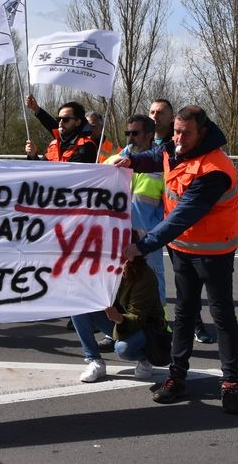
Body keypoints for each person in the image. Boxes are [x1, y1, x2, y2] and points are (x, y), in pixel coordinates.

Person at [116, 105, 238, 414]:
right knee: (184, 313)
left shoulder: (214, 169)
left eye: (185, 133)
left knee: (222, 316)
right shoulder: (174, 150)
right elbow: (155, 157)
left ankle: (230, 383)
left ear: (202, 132)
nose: (178, 138)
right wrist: (131, 161)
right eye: (175, 132)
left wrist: (142, 246)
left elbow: (181, 216)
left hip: (214, 253)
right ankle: (177, 377)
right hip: (183, 250)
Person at [97, 114, 166, 354]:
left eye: (135, 133)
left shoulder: (161, 163)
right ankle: (115, 331)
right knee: (114, 285)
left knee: (154, 287)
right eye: (128, 133)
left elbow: (169, 204)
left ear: (149, 135)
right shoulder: (114, 160)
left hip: (148, 241)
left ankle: (157, 331)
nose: (130, 137)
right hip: (116, 240)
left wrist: (157, 232)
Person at [149, 98, 213, 344]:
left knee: (188, 283)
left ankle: (196, 325)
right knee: (150, 278)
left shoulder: (180, 143)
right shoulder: (144, 141)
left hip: (175, 224)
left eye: (160, 112)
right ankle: (150, 323)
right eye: (152, 111)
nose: (155, 116)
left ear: (171, 117)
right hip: (150, 222)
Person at [71, 238, 166, 383]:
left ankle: (144, 358)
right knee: (78, 306)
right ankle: (94, 360)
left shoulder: (144, 275)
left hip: (145, 328)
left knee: (123, 349)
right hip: (119, 321)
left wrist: (119, 318)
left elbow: (138, 317)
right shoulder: (102, 269)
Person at [23, 94, 96, 163]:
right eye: (58, 119)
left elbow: (69, 171)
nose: (60, 123)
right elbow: (41, 169)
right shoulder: (55, 144)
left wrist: (37, 109)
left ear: (77, 122)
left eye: (65, 119)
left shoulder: (86, 146)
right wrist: (33, 156)